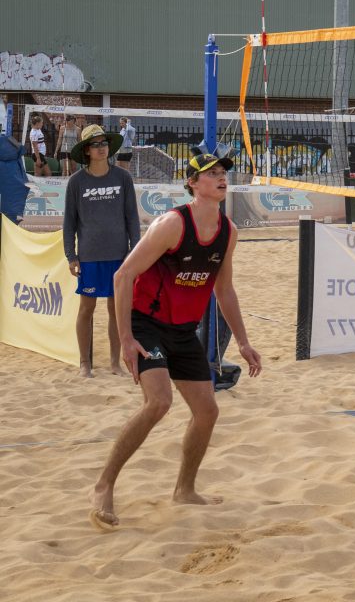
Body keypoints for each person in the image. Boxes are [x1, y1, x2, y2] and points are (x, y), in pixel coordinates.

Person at [88, 153, 263, 531]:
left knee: (208, 411)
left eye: (222, 173)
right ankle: (104, 485)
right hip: (146, 324)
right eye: (211, 174)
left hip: (184, 329)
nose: (220, 178)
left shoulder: (228, 230)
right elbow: (123, 276)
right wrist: (125, 338)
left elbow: (225, 290)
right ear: (192, 183)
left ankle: (184, 489)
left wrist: (245, 343)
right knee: (159, 402)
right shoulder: (171, 224)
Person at [63, 124, 140, 378]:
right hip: (89, 255)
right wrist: (71, 256)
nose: (101, 147)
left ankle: (115, 364)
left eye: (104, 143)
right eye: (95, 144)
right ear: (86, 150)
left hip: (119, 255)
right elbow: (69, 223)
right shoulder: (76, 182)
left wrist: (134, 252)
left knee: (116, 310)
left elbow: (132, 218)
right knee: (87, 308)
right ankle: (85, 363)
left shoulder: (122, 178)